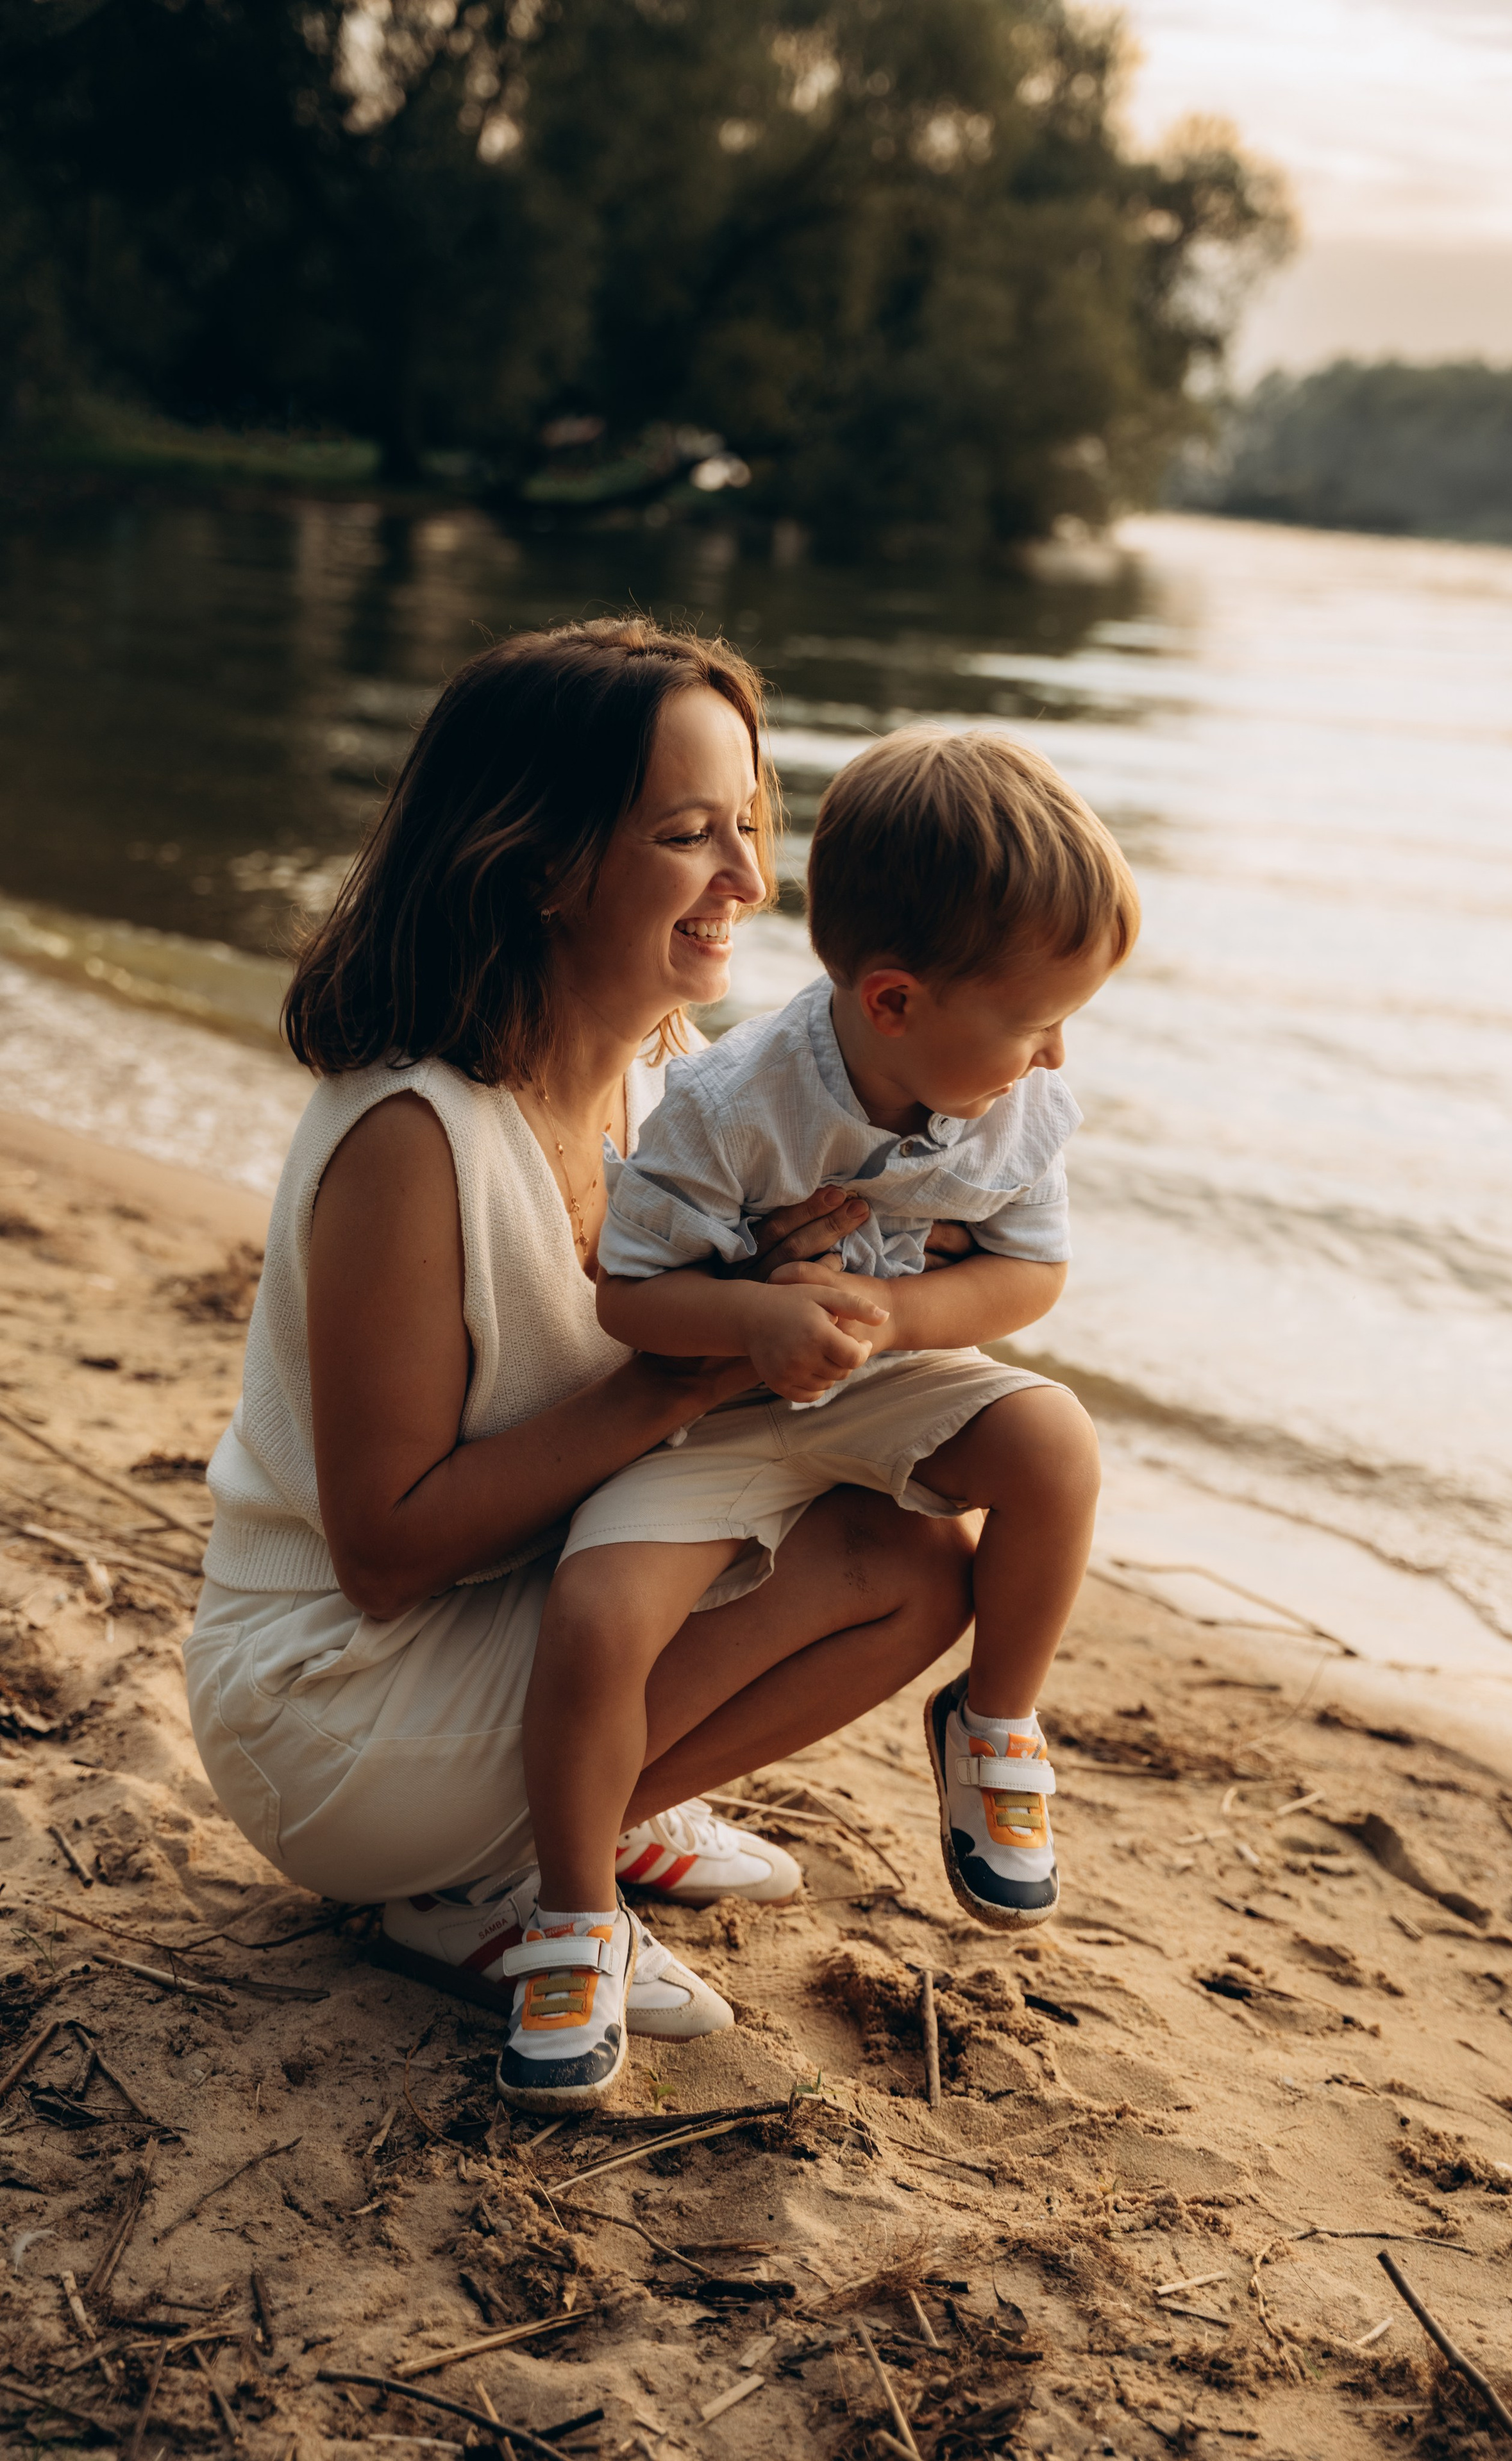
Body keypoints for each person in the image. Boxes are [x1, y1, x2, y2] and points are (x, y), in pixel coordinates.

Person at [183, 619, 980, 2076]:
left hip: (508, 1612)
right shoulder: (415, 1137)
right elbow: (383, 1548)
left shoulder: (677, 1081)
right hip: (336, 1700)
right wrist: (689, 1365)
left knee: (922, 1541)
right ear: (541, 861)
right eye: (690, 836)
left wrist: (832, 1263)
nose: (749, 879)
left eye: (747, 824)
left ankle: (581, 1800)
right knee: (881, 1557)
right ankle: (470, 1876)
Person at [503, 727, 1139, 2108]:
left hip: (882, 1368)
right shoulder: (732, 1102)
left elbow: (1029, 1273)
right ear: (895, 999)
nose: (1053, 1055)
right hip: (719, 1405)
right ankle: (565, 1911)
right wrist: (754, 1320)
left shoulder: (1015, 1102)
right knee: (599, 1613)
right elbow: (627, 1294)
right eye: (1035, 1023)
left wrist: (893, 1317)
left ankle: (994, 1720)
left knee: (1051, 1445)